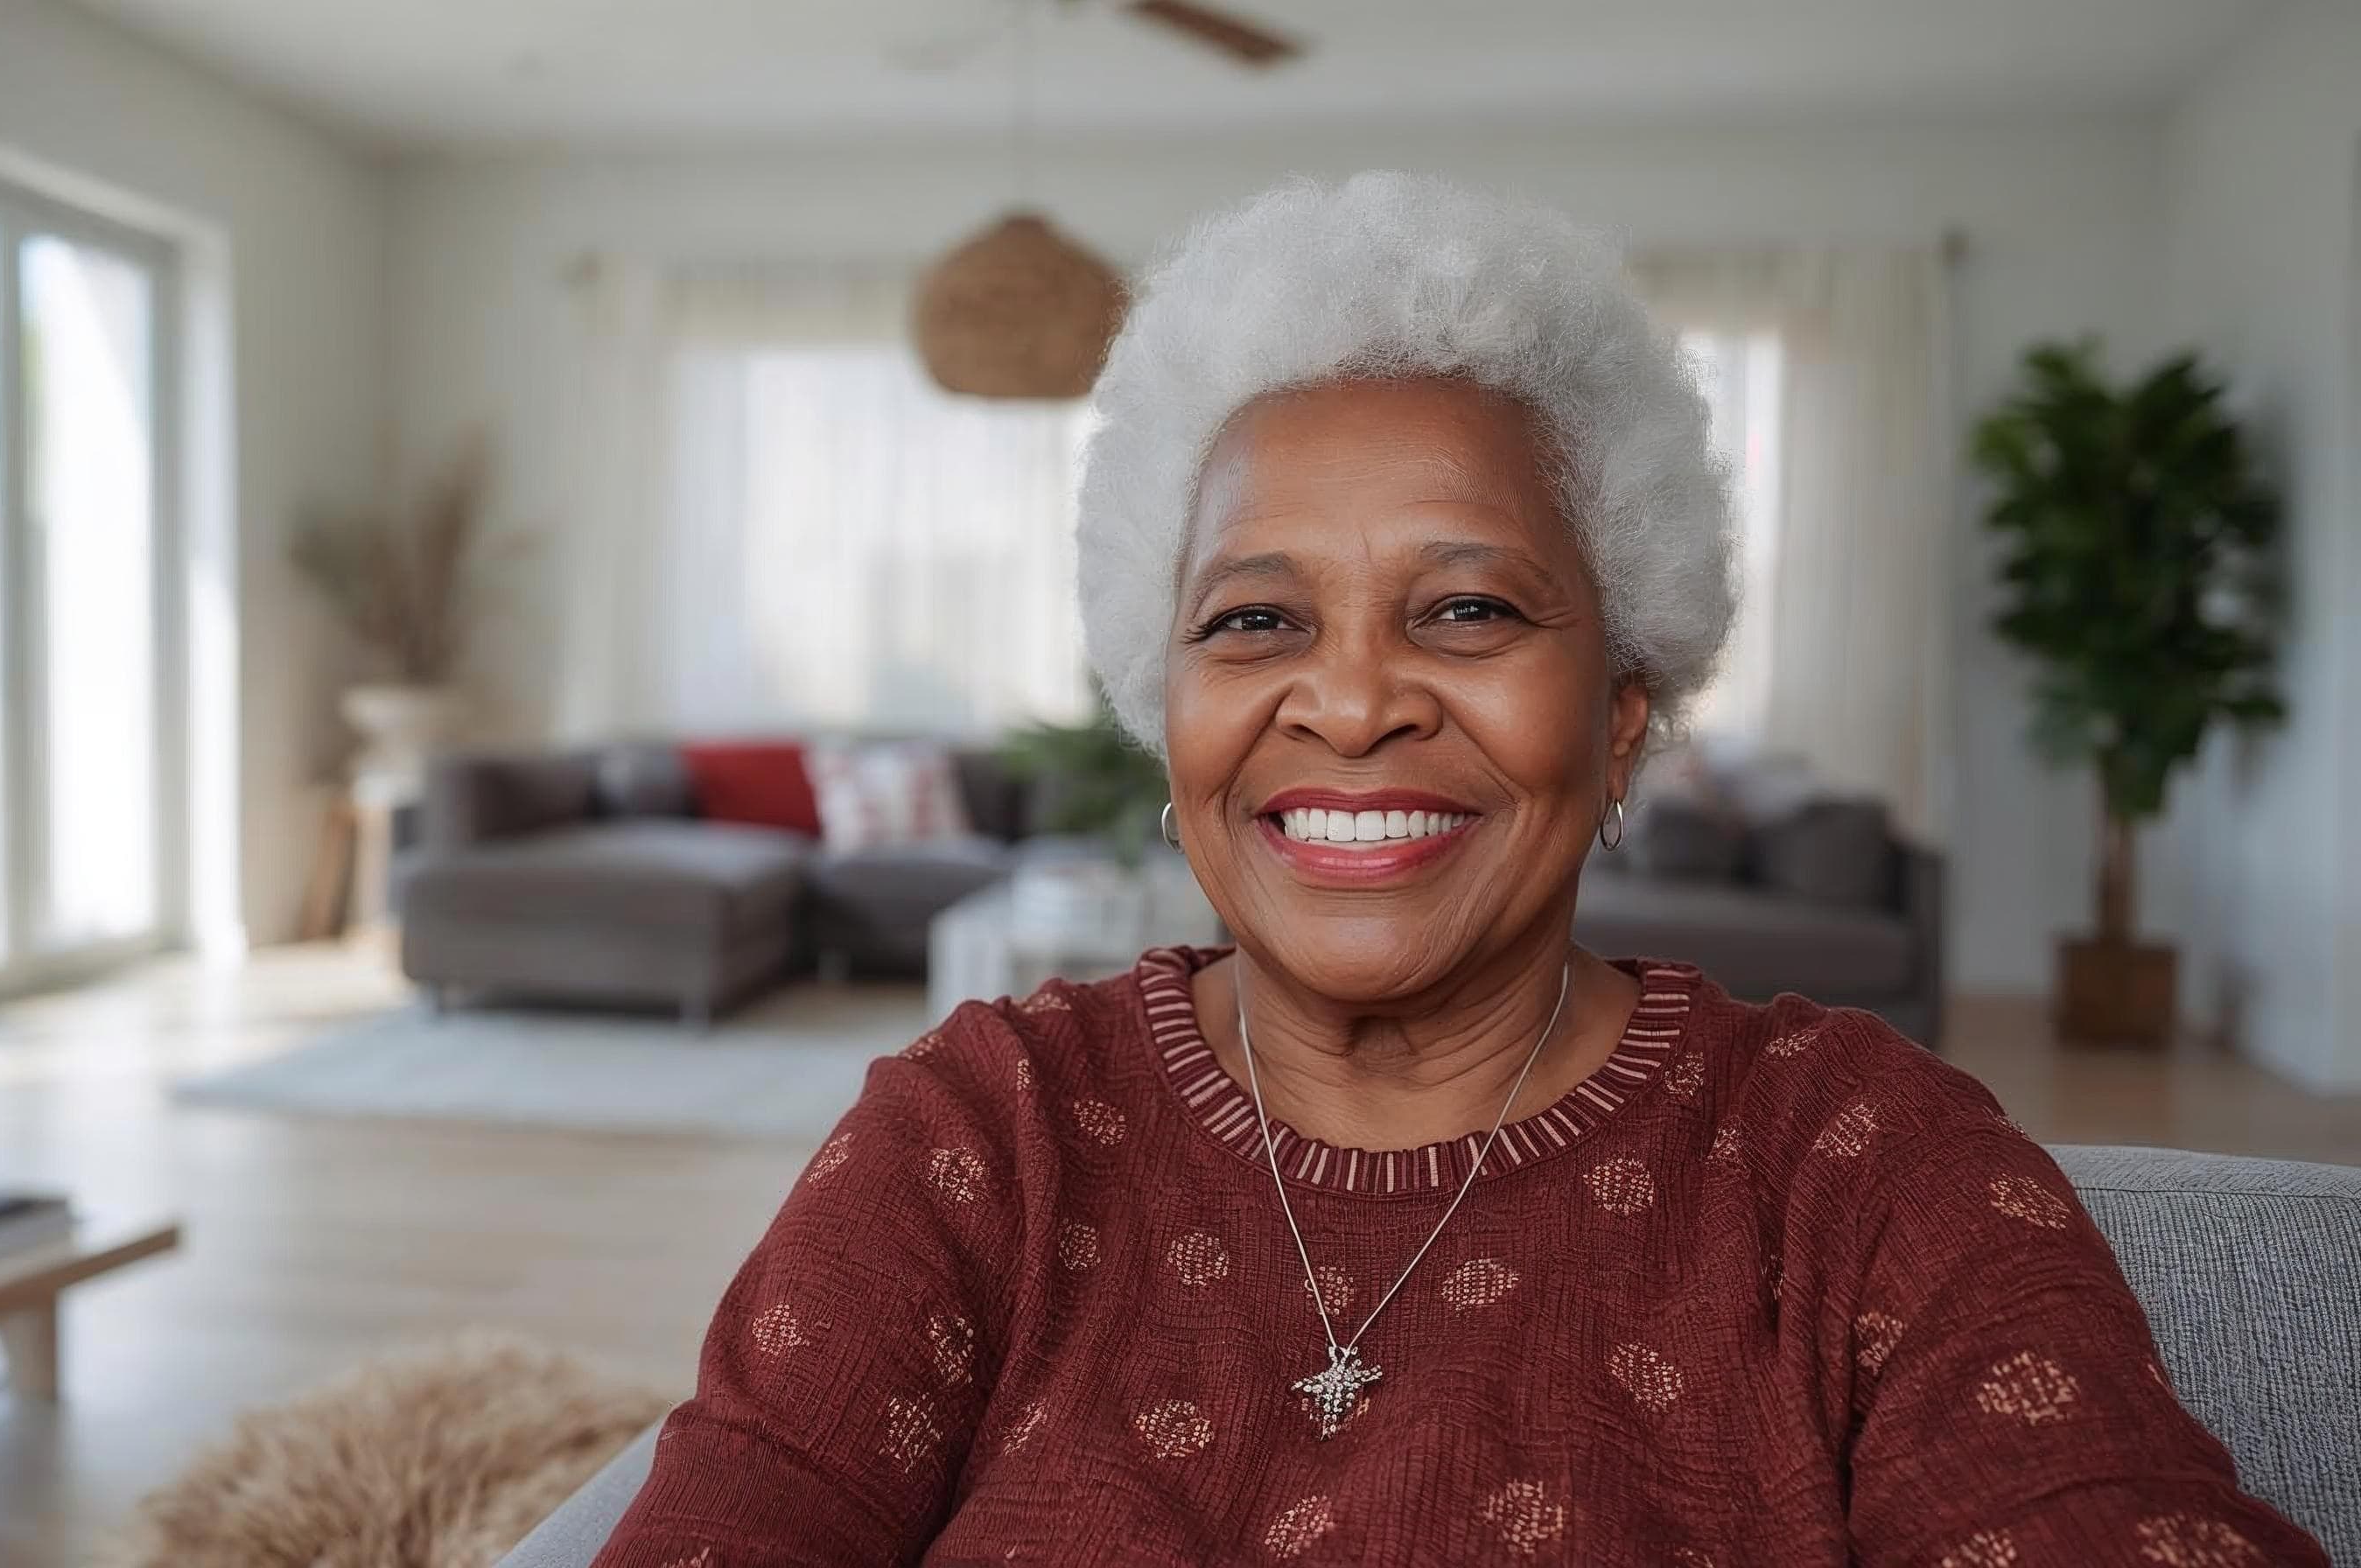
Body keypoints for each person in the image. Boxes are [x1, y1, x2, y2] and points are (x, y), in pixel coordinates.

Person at [595, 173, 2324, 1564]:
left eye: (1470, 606)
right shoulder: (979, 1134)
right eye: (1254, 617)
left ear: (1624, 709)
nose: (1344, 699)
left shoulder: (1858, 1162)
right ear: (1167, 702)